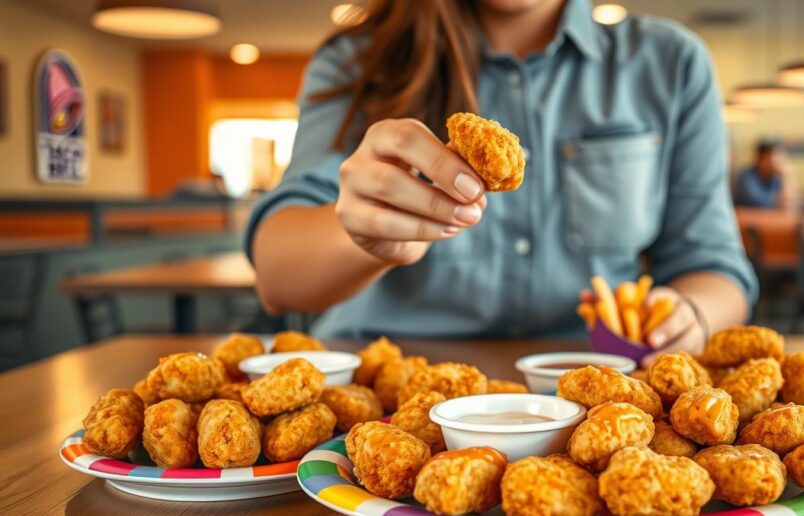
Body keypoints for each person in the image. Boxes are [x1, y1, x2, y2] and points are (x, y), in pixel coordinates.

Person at [247, 0, 756, 360]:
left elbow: (714, 268)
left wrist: (687, 314)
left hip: (586, 387)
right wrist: (364, 234)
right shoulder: (357, 59)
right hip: (384, 387)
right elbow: (276, 276)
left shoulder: (669, 63)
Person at [732, 140, 800, 209]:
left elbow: (792, 205)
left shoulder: (776, 178)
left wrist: (788, 177)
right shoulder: (747, 178)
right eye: (775, 157)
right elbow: (762, 205)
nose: (778, 162)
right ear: (762, 159)